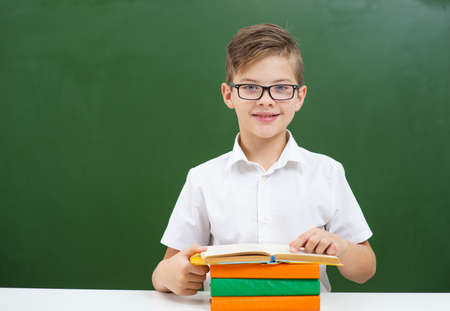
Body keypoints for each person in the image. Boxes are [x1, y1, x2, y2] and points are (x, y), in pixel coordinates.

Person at [152, 23, 376, 296]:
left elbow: (365, 269)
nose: (266, 100)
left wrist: (341, 248)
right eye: (250, 87)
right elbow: (164, 270)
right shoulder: (203, 178)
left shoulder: (326, 172)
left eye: (281, 88)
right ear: (228, 94)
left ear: (299, 96)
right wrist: (170, 274)